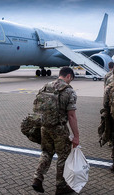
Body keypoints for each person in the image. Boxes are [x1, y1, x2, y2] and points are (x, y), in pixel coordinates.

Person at [32, 67, 79, 195]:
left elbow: (36, 107)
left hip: (45, 126)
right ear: (69, 76)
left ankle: (38, 178)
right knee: (63, 156)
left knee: (46, 152)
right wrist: (76, 136)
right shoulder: (69, 91)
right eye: (71, 79)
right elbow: (71, 116)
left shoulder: (45, 86)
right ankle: (60, 186)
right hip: (59, 129)